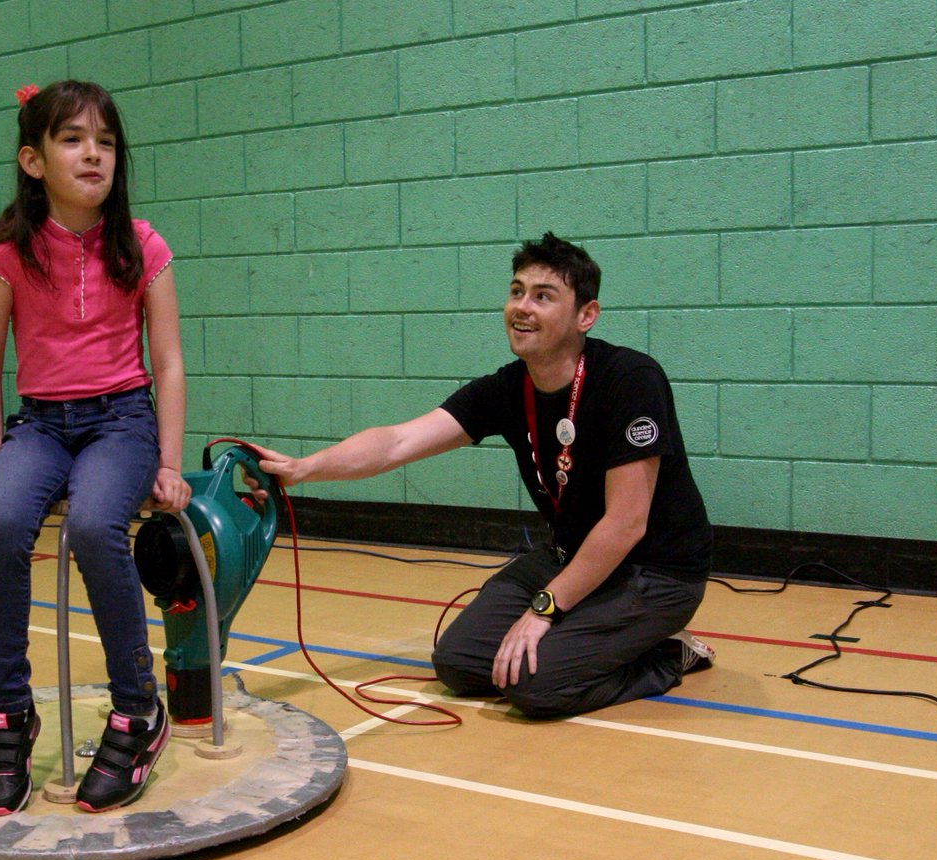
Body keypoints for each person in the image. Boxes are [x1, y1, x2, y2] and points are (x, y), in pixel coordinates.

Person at [253, 231, 714, 719]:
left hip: (655, 573)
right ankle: (584, 627)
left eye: (543, 296)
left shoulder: (630, 379)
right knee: (461, 664)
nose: (522, 307)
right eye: (516, 292)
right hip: (570, 557)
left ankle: (667, 653)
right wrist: (304, 469)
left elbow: (625, 525)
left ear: (586, 315)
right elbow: (397, 442)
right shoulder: (507, 388)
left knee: (536, 687)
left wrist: (546, 609)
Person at [0, 80, 189, 815]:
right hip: (41, 426)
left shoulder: (143, 245)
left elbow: (170, 363)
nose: (93, 154)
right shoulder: (7, 255)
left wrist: (166, 460)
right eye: (72, 140)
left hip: (120, 422)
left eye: (105, 141)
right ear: (33, 161)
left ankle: (137, 709)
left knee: (95, 528)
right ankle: (8, 712)